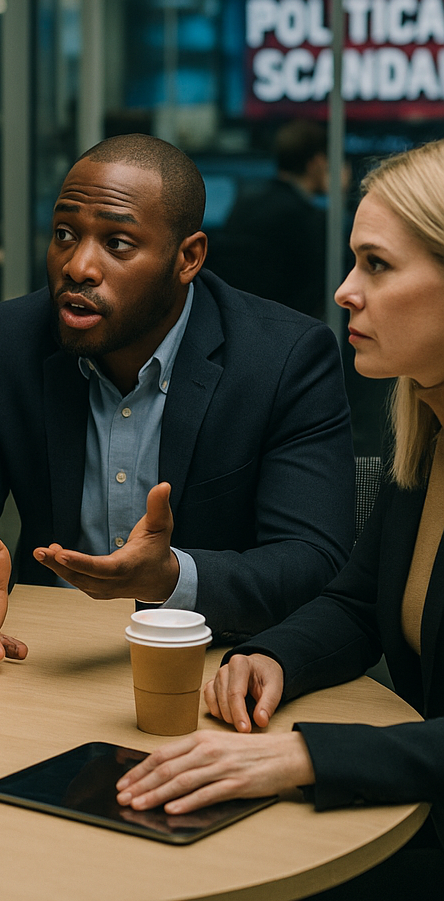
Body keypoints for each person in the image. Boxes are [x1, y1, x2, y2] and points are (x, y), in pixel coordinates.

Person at [113, 139, 444, 893]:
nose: (345, 291)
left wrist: (307, 756)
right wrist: (276, 655)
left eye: (378, 265)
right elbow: (360, 604)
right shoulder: (430, 431)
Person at [0, 134, 354, 660]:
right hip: (44, 654)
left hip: (211, 660)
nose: (78, 266)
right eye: (65, 234)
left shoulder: (285, 358)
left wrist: (172, 578)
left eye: (117, 244)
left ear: (188, 258)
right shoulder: (5, 340)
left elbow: (314, 561)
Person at [208, 120, 335, 318]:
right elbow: (321, 287)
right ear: (317, 163)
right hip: (283, 325)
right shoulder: (307, 218)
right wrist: (340, 196)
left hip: (235, 318)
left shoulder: (245, 203)